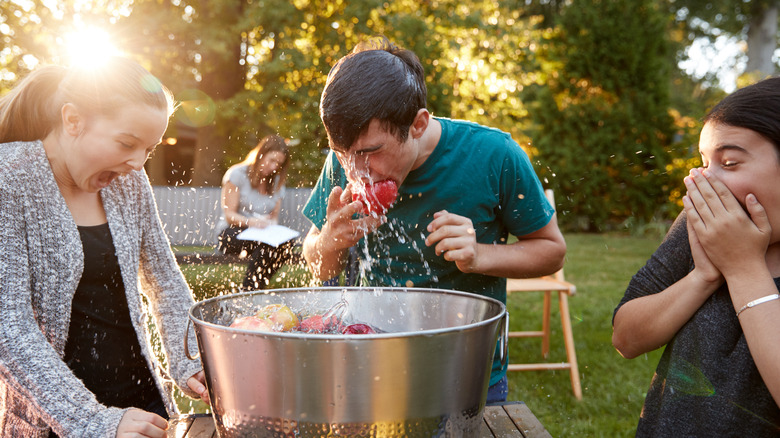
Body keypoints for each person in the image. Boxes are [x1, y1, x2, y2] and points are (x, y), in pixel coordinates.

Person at [301, 36, 567, 403]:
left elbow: (552, 251)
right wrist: (328, 240)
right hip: (368, 365)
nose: (355, 170)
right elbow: (314, 262)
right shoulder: (344, 163)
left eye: (370, 152)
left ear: (418, 124)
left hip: (466, 369)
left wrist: (480, 256)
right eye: (341, 153)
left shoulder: (495, 155)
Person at [0, 57, 210, 438]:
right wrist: (94, 421)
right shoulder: (9, 180)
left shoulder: (128, 183)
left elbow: (164, 279)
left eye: (150, 148)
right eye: (128, 143)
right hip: (59, 423)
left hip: (145, 412)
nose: (137, 162)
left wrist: (188, 358)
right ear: (73, 121)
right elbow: (9, 326)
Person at [612, 77, 780, 436]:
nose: (701, 180)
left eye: (730, 162)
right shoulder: (700, 224)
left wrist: (742, 268)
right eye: (704, 162)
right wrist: (701, 278)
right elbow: (625, 338)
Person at [216, 134, 297, 290]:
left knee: (287, 244)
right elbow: (229, 215)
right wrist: (252, 223)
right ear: (261, 155)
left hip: (260, 234)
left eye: (278, 164)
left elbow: (274, 218)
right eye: (271, 160)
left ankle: (253, 290)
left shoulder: (277, 183)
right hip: (232, 233)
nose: (274, 167)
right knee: (266, 247)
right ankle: (250, 292)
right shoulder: (237, 174)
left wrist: (268, 223)